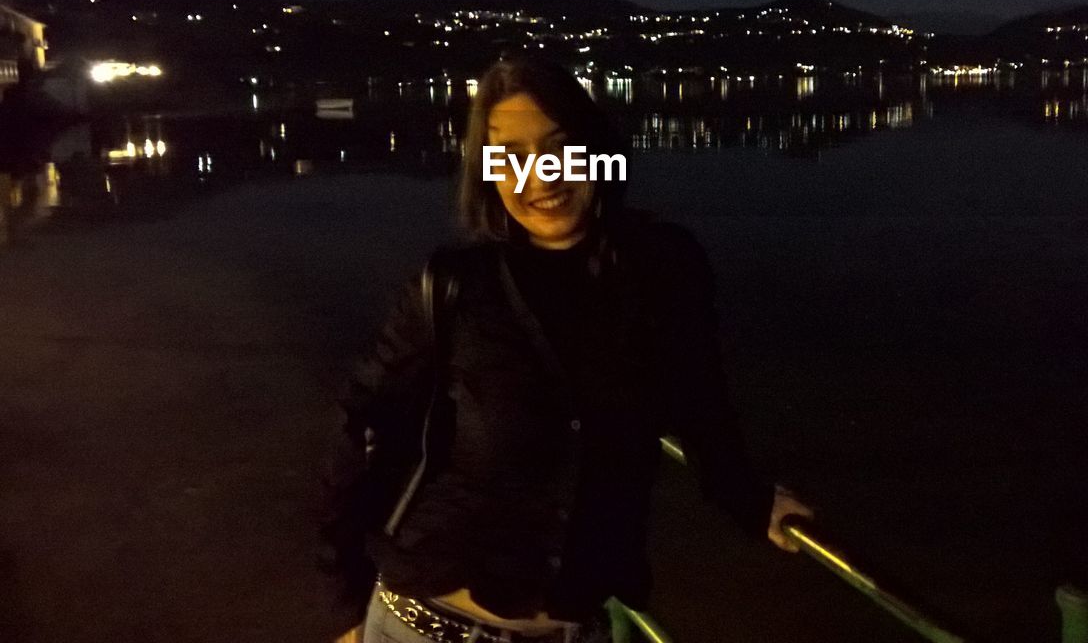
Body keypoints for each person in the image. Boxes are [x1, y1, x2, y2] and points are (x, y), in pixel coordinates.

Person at [318, 54, 815, 643]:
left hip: (576, 628)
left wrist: (749, 497)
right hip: (424, 623)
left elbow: (701, 402)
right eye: (512, 156)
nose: (542, 177)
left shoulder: (664, 267)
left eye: (560, 148)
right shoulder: (456, 285)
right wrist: (347, 601)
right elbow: (360, 429)